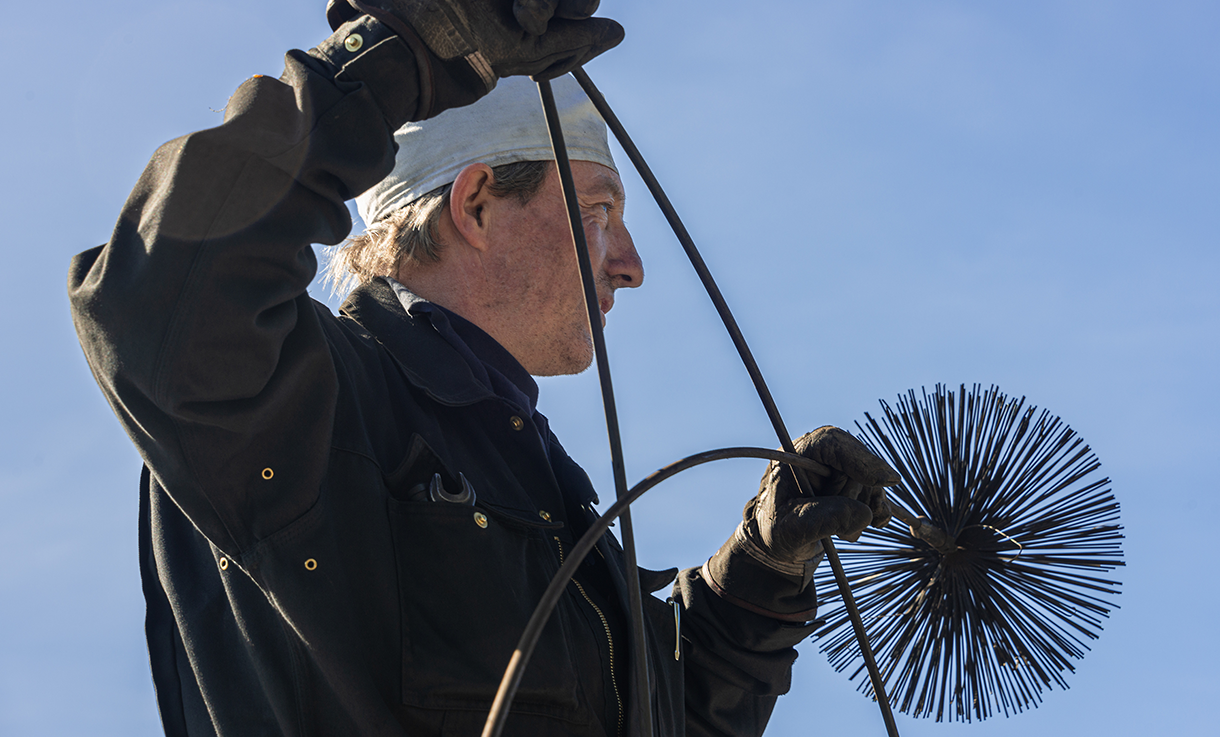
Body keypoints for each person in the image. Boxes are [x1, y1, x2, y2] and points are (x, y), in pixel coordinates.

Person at [67, 2, 899, 735]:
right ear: (474, 205)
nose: (632, 264)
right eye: (600, 213)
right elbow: (157, 295)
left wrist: (761, 567)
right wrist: (407, 49)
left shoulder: (534, 472)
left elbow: (663, 715)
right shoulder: (308, 402)